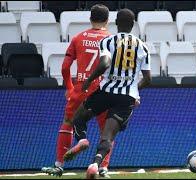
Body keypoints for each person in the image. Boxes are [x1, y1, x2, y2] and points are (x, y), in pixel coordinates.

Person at [63, 8, 151, 179]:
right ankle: (96, 165)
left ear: (116, 23)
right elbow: (148, 79)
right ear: (133, 25)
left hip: (105, 92)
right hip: (126, 97)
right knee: (108, 135)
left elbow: (104, 63)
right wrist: (134, 91)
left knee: (79, 118)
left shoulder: (107, 41)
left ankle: (82, 140)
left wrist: (89, 80)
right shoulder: (142, 46)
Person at [41, 4, 114, 177]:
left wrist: (69, 87)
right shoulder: (112, 40)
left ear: (90, 19)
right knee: (107, 129)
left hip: (81, 87)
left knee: (68, 122)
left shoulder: (78, 38)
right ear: (107, 20)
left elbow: (65, 67)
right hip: (103, 88)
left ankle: (59, 165)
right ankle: (102, 167)